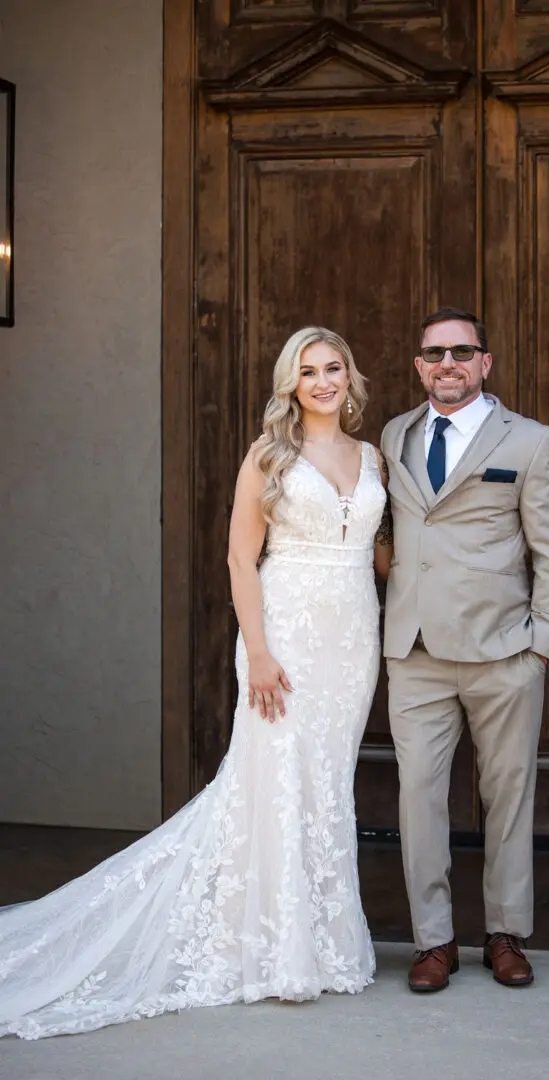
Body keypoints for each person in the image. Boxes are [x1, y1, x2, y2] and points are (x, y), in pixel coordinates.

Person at [0, 327, 392, 1039]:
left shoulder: (373, 459)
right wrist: (262, 653)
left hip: (352, 639)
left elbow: (379, 549)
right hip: (285, 636)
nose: (324, 381)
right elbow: (241, 562)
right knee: (269, 781)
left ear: (350, 376)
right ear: (291, 384)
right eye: (309, 372)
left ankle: (325, 945)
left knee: (326, 782)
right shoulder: (268, 456)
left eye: (334, 368)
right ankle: (267, 952)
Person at [381, 307, 549, 993]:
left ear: (485, 363)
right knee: (419, 801)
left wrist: (542, 646)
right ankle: (433, 940)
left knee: (508, 798)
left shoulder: (529, 441)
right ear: (420, 365)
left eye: (463, 351)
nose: (448, 364)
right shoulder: (393, 435)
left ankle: (505, 933)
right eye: (435, 353)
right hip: (415, 654)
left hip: (503, 654)